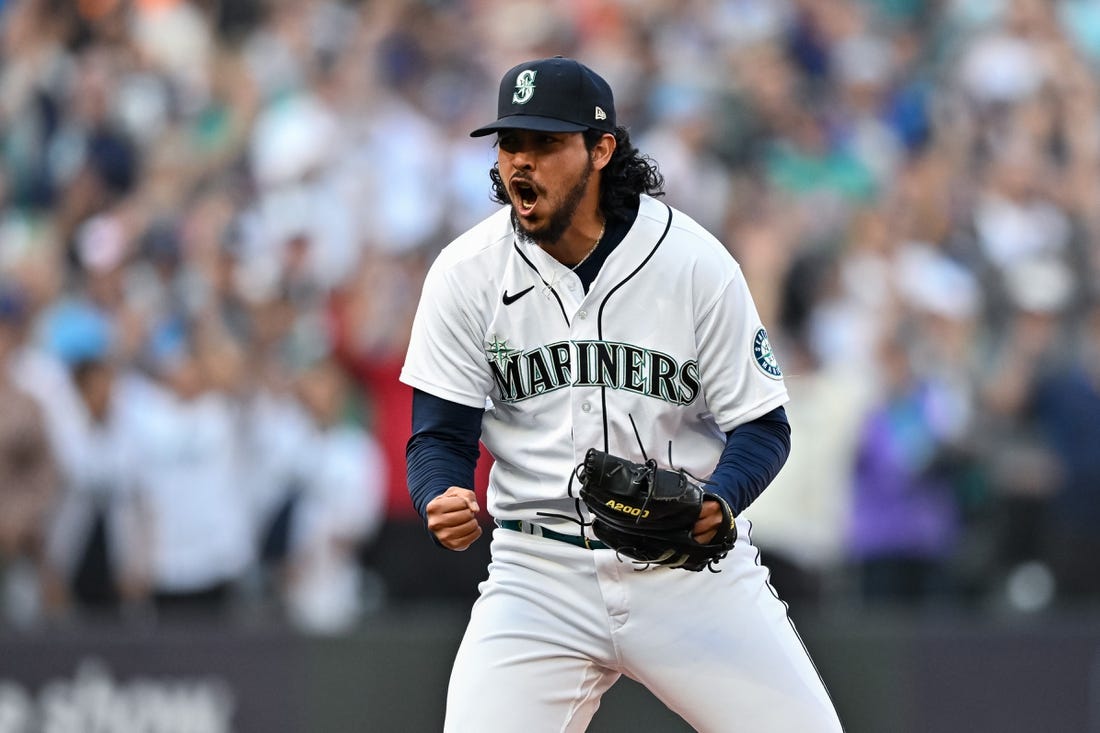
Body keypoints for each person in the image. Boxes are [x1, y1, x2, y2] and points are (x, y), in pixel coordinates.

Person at [401, 57, 842, 731]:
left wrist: (720, 499)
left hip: (686, 571)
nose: (522, 162)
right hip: (537, 572)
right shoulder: (467, 272)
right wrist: (440, 490)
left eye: (546, 144)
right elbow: (439, 434)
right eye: (511, 143)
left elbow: (763, 426)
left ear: (601, 149)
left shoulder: (693, 262)